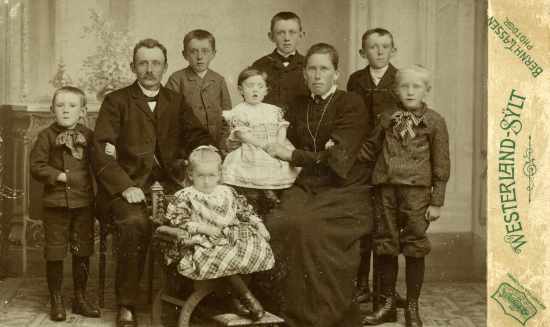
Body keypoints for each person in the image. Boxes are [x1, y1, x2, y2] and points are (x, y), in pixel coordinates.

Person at [91, 38, 212, 327]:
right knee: (134, 224)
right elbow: (101, 149)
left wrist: (209, 152)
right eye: (143, 63)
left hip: (169, 186)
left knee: (195, 219)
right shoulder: (116, 101)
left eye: (155, 63)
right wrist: (124, 186)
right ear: (133, 66)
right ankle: (127, 305)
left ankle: (182, 299)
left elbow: (197, 135)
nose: (149, 69)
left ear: (165, 66)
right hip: (127, 189)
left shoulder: (175, 100)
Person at [262, 43, 373, 327]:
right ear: (304, 73)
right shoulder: (298, 105)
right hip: (307, 184)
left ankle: (322, 315)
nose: (317, 75)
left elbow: (338, 161)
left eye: (324, 69)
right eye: (311, 68)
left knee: (310, 228)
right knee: (278, 223)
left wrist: (294, 155)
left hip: (345, 188)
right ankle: (285, 311)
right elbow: (282, 139)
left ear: (336, 73)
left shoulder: (351, 103)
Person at [359, 65, 450, 327]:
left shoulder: (434, 121)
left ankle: (412, 307)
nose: (410, 91)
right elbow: (370, 149)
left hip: (416, 194)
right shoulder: (386, 117)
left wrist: (437, 200)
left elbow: (441, 163)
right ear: (395, 89)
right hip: (385, 190)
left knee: (414, 246)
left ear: (426, 90)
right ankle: (388, 305)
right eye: (404, 86)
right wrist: (342, 158)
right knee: (386, 245)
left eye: (416, 86)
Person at [159, 145, 274, 320]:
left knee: (249, 245)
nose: (206, 181)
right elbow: (178, 220)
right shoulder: (186, 196)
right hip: (200, 243)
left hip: (226, 238)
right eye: (201, 176)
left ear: (219, 175)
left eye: (211, 176)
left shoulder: (227, 192)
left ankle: (234, 298)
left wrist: (259, 225)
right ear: (190, 174)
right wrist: (203, 228)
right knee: (220, 252)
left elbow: (244, 211)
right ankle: (248, 299)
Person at [30, 86, 100, 321]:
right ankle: (56, 299)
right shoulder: (45, 136)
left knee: (82, 250)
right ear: (52, 110)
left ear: (82, 111)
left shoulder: (89, 136)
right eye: (60, 106)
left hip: (83, 205)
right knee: (56, 253)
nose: (66, 110)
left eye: (72, 106)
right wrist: (59, 176)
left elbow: (99, 163)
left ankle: (80, 298)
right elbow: (36, 166)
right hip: (56, 205)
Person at [346, 27, 403, 305]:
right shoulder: (356, 80)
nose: (379, 52)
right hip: (362, 160)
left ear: (393, 50)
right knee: (363, 222)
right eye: (373, 47)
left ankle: (386, 289)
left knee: (388, 224)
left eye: (384, 46)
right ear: (362, 52)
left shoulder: (401, 80)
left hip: (391, 161)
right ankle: (360, 284)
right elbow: (350, 118)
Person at [222, 67, 300, 210]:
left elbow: (282, 127)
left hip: (274, 145)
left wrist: (279, 144)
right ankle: (260, 195)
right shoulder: (240, 111)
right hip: (253, 147)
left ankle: (272, 195)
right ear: (240, 90)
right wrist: (263, 145)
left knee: (279, 165)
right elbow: (241, 134)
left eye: (260, 86)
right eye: (250, 86)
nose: (255, 90)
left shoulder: (272, 110)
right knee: (255, 168)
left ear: (266, 90)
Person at [166, 29, 232, 148]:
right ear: (185, 54)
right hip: (187, 145)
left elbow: (228, 117)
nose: (200, 56)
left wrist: (222, 145)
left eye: (205, 51)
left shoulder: (219, 80)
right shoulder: (177, 79)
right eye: (193, 51)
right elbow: (169, 118)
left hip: (217, 144)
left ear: (213, 53)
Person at [252, 11, 308, 111]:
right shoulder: (259, 66)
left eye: (292, 32)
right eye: (280, 33)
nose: (287, 38)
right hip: (268, 123)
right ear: (271, 36)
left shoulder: (308, 65)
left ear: (301, 35)